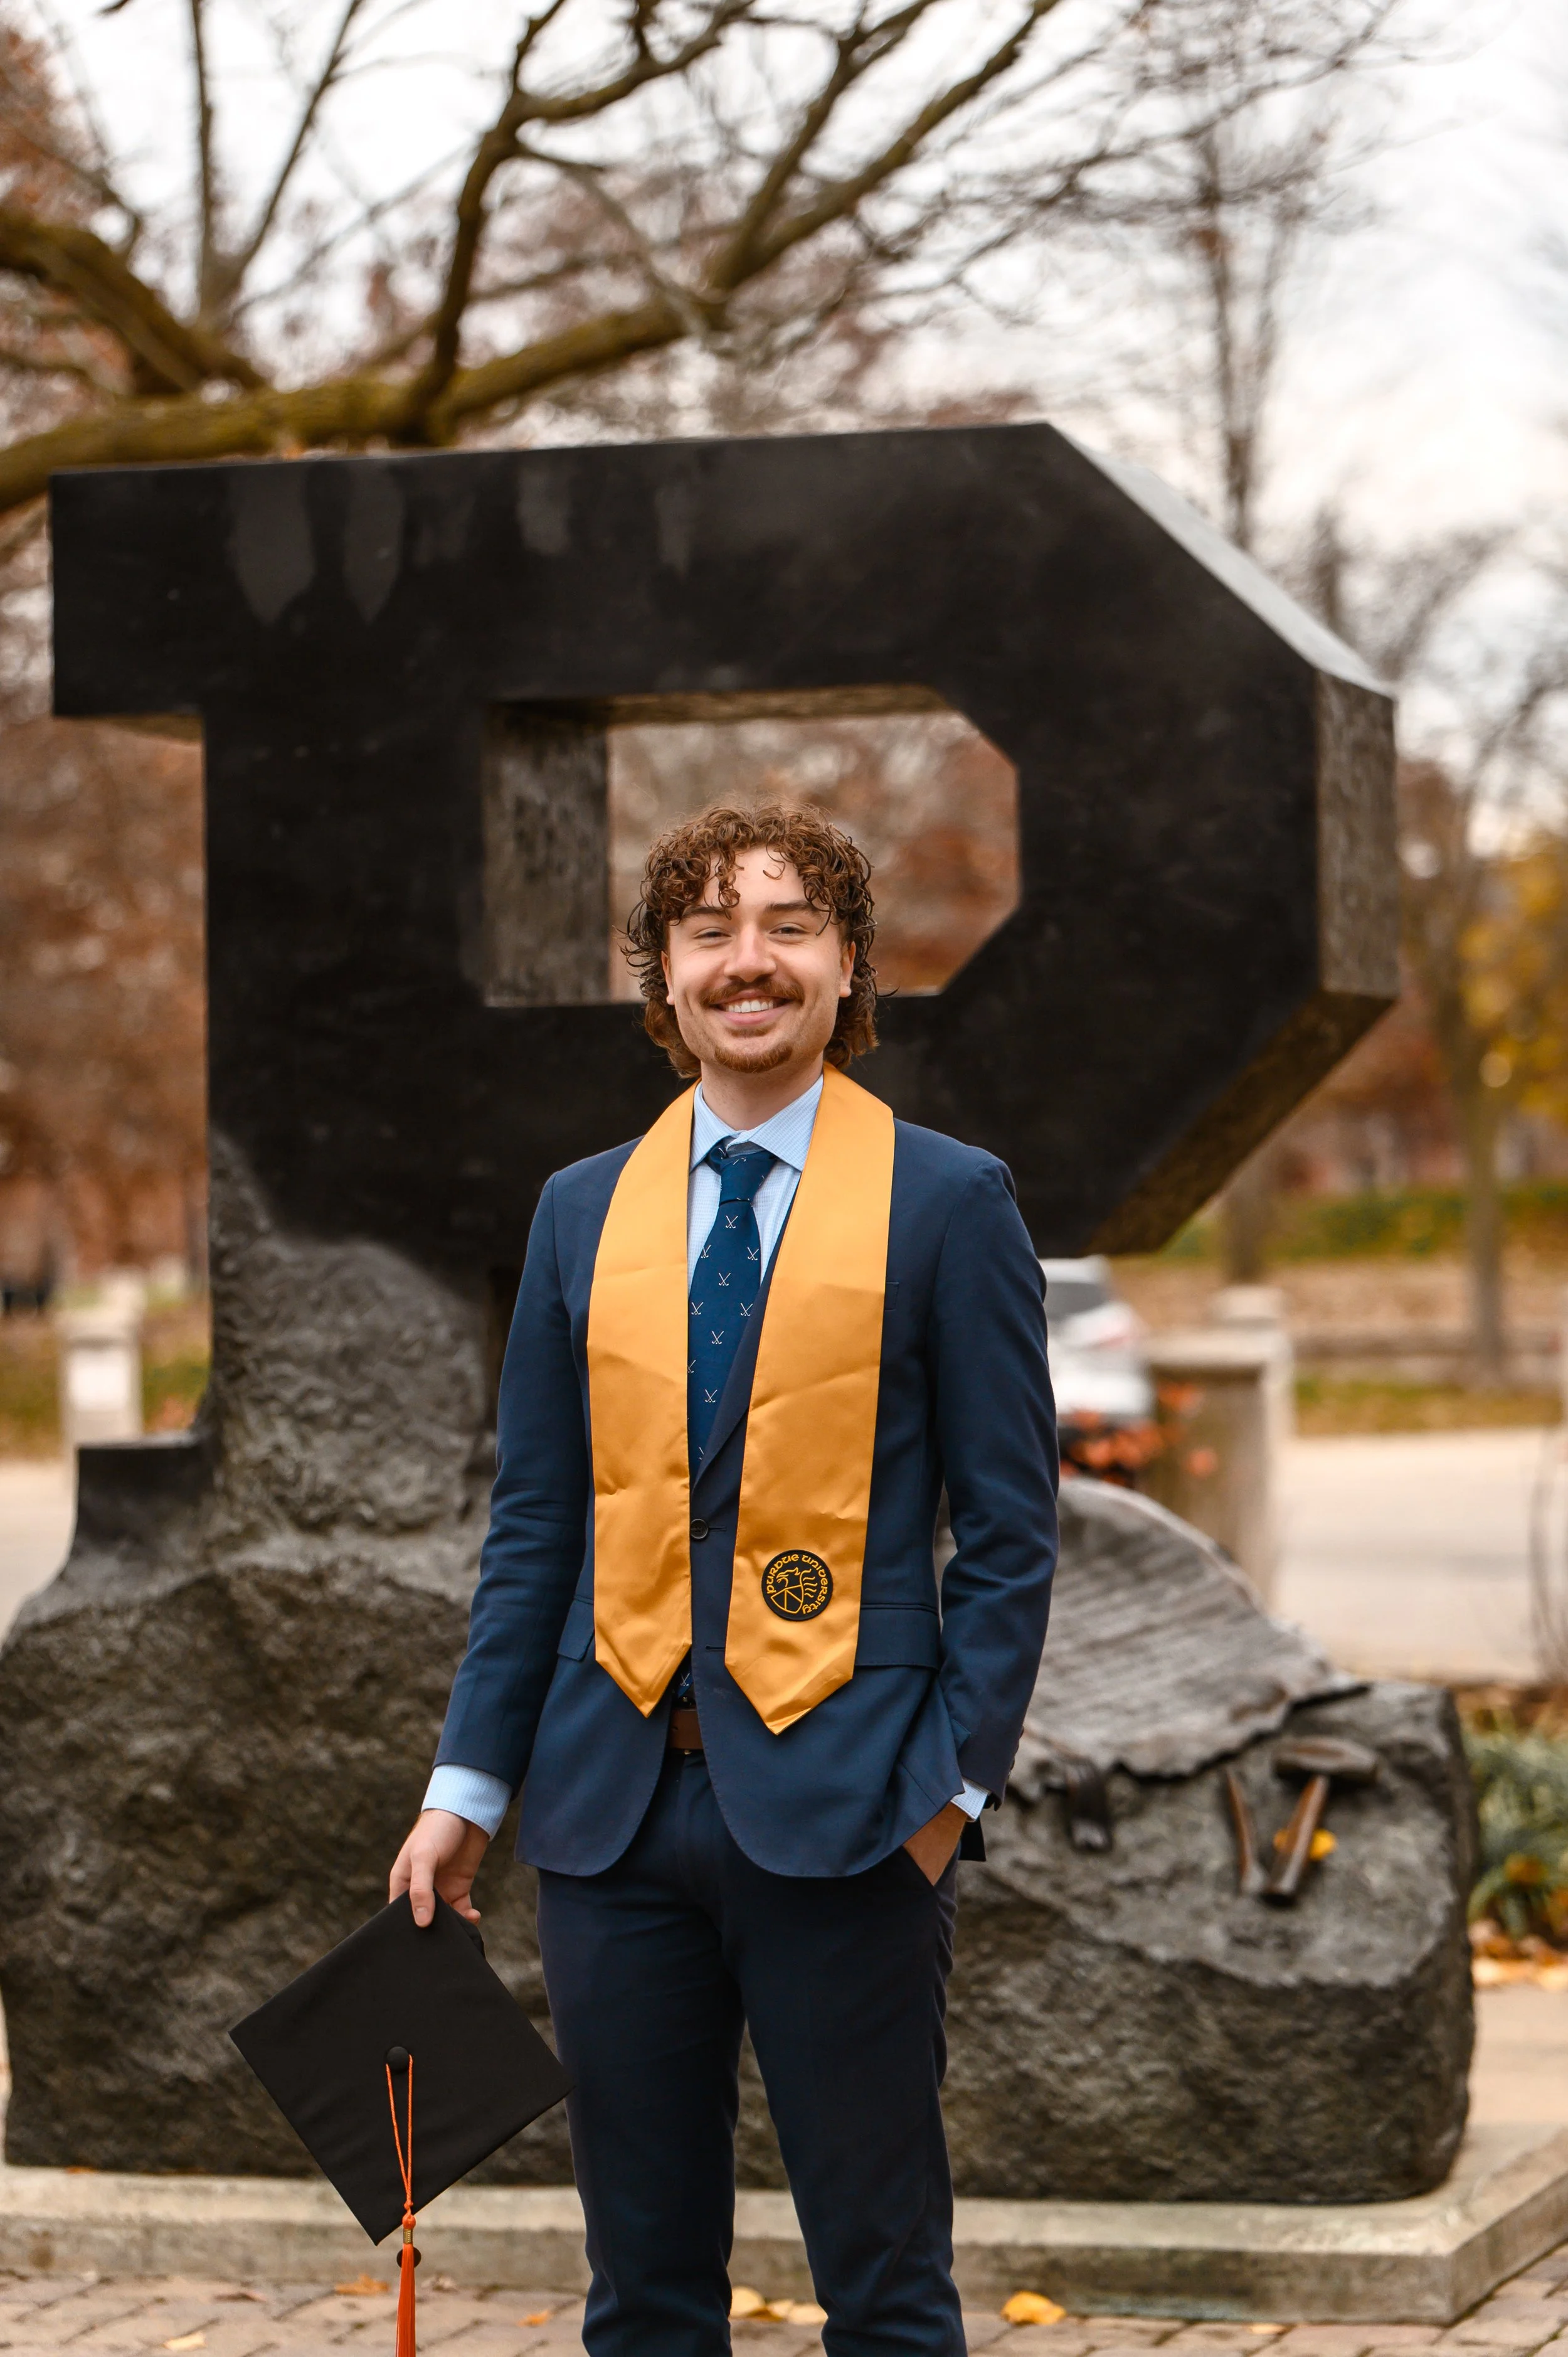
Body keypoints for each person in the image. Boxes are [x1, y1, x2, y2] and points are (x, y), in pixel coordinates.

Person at [389, 802, 1057, 2357]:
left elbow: (1013, 1535)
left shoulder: (948, 1202)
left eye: (785, 927)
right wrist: (467, 1787)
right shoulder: (581, 1211)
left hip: (848, 1809)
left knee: (884, 2292)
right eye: (708, 932)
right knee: (642, 2299)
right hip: (609, 1820)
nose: (746, 961)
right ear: (665, 977)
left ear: (844, 969)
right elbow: (537, 1527)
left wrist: (947, 1795)